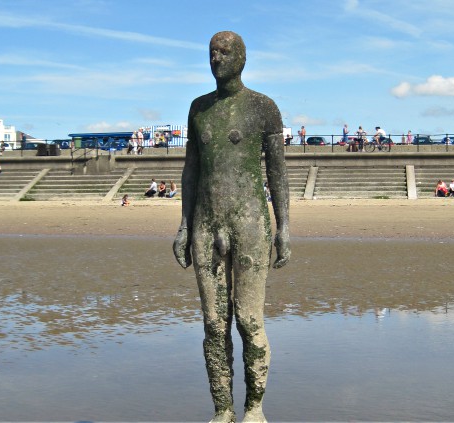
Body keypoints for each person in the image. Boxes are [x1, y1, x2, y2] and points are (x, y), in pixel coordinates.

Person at [173, 31, 290, 423]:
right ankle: (222, 409)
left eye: (224, 52)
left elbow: (277, 173)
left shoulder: (262, 107)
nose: (216, 58)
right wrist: (185, 226)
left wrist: (284, 227)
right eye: (211, 52)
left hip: (251, 223)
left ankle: (254, 407)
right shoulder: (198, 109)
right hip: (207, 223)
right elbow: (191, 169)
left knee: (249, 319)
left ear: (241, 57)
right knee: (213, 323)